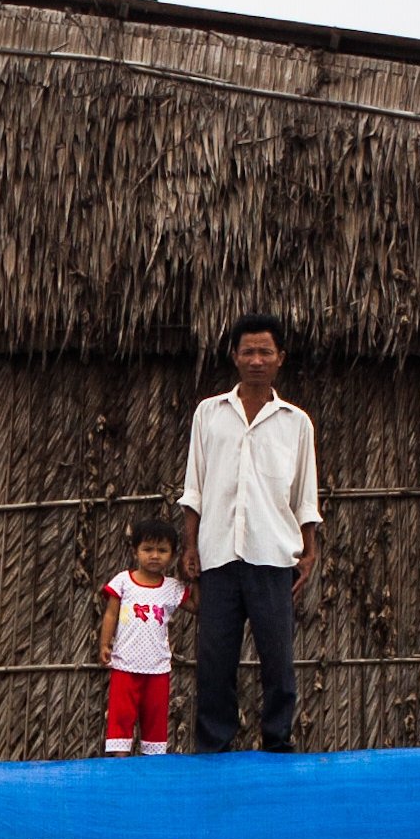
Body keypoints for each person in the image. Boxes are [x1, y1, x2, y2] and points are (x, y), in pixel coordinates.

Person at [173, 315, 320, 753]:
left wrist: (308, 552)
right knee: (215, 659)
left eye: (266, 352)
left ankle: (278, 743)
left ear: (280, 359)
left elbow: (304, 495)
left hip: (273, 555)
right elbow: (195, 487)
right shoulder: (209, 413)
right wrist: (190, 544)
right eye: (248, 351)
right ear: (234, 356)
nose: (257, 360)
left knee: (278, 660)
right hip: (218, 554)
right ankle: (214, 748)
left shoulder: (296, 423)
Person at [89, 526, 188, 755]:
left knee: (155, 720)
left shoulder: (173, 588)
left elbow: (196, 606)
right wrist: (104, 644)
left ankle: (152, 769)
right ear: (135, 552)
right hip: (125, 664)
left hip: (158, 668)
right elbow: (111, 614)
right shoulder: (123, 582)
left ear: (172, 556)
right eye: (148, 549)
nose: (154, 555)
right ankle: (120, 765)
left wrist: (197, 577)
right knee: (120, 718)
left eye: (162, 550)